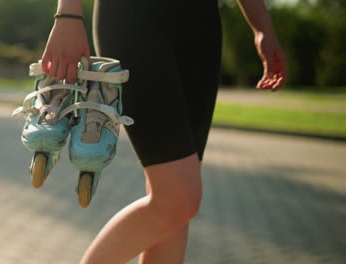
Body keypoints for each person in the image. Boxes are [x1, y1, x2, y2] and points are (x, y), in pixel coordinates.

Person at [41, 0, 287, 263]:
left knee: (175, 210)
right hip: (133, 17)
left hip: (200, 25)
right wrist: (68, 14)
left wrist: (263, 28)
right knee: (178, 199)